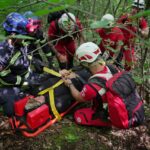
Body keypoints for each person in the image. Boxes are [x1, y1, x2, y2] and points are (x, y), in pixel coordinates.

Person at [60, 42, 144, 128]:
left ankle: (109, 121)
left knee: (78, 115)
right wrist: (74, 75)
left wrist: (70, 84)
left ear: (86, 63)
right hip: (130, 107)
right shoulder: (111, 67)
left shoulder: (92, 86)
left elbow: (78, 97)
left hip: (115, 114)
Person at [0, 12, 31, 118]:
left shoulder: (21, 45)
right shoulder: (3, 51)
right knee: (13, 110)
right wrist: (22, 82)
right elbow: (4, 76)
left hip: (19, 81)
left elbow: (25, 61)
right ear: (13, 34)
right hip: (5, 86)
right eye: (22, 35)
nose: (24, 37)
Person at [118, 0, 149, 70]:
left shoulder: (141, 21)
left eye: (137, 9)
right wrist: (122, 25)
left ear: (141, 10)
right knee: (115, 62)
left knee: (129, 63)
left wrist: (138, 28)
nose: (135, 10)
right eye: (134, 7)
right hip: (119, 43)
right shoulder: (125, 16)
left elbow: (146, 34)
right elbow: (115, 26)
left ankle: (126, 76)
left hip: (129, 45)